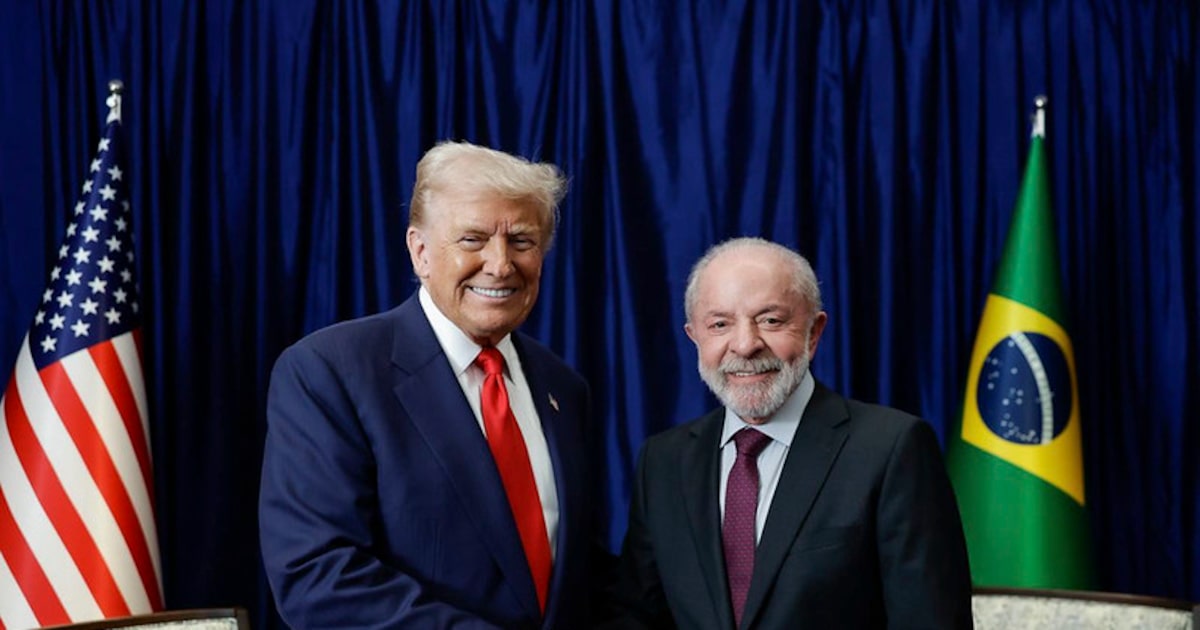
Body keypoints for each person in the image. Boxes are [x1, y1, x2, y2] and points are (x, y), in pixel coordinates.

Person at [259, 141, 597, 628]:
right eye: (473, 239)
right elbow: (318, 576)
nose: (500, 264)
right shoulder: (329, 372)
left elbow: (575, 573)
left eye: (522, 241)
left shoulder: (562, 387)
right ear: (420, 252)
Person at [606, 237, 974, 629]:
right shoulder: (663, 461)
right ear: (694, 336)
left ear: (813, 332)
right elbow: (636, 617)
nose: (745, 345)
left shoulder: (891, 449)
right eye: (720, 324)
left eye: (771, 320)